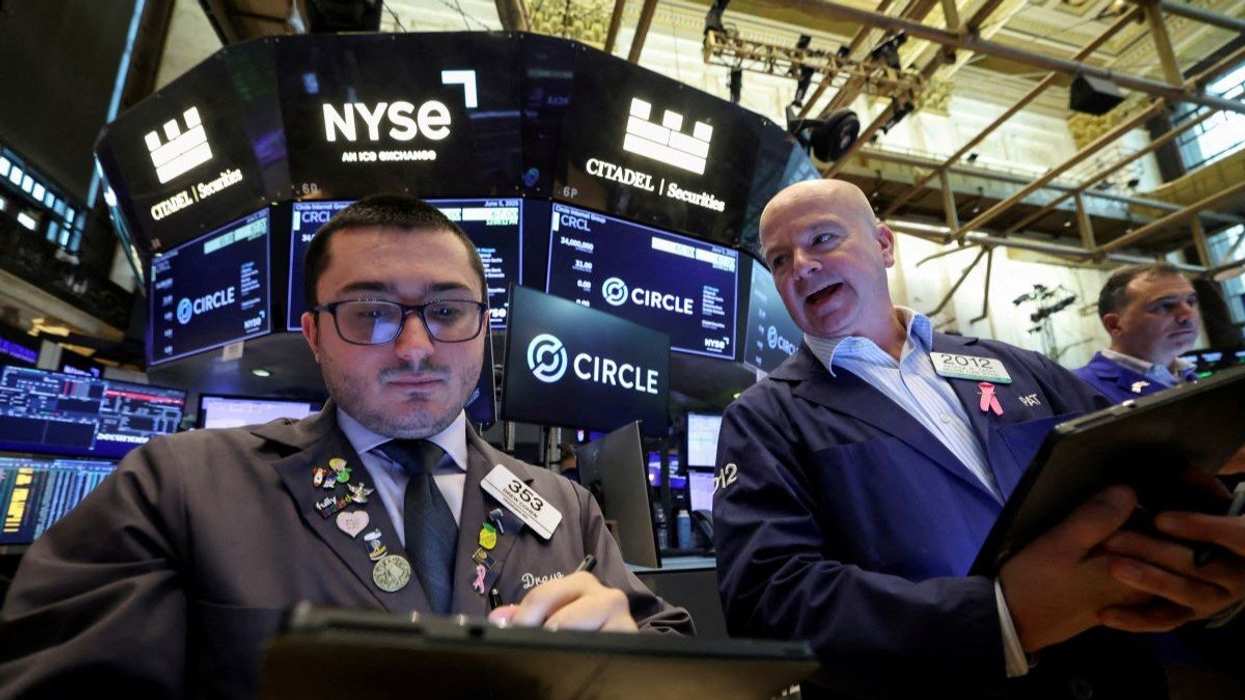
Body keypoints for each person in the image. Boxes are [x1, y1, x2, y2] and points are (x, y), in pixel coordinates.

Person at [0, 195, 692, 698]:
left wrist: (624, 661)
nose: (416, 348)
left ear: (483, 327)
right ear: (314, 332)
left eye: (447, 312)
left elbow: (678, 660)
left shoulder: (560, 504)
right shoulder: (176, 485)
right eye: (370, 313)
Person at [712, 179, 1245, 699]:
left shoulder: (1015, 366)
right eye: (780, 260)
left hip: (1113, 671)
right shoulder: (766, 416)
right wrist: (1001, 617)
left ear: (883, 244)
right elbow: (769, 600)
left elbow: (1146, 470)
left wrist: (1204, 566)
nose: (801, 266)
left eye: (822, 239)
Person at [1075, 263, 1201, 402]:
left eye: (1191, 302)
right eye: (1166, 305)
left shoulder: (1189, 376)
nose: (1188, 315)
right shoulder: (1078, 389)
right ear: (1114, 325)